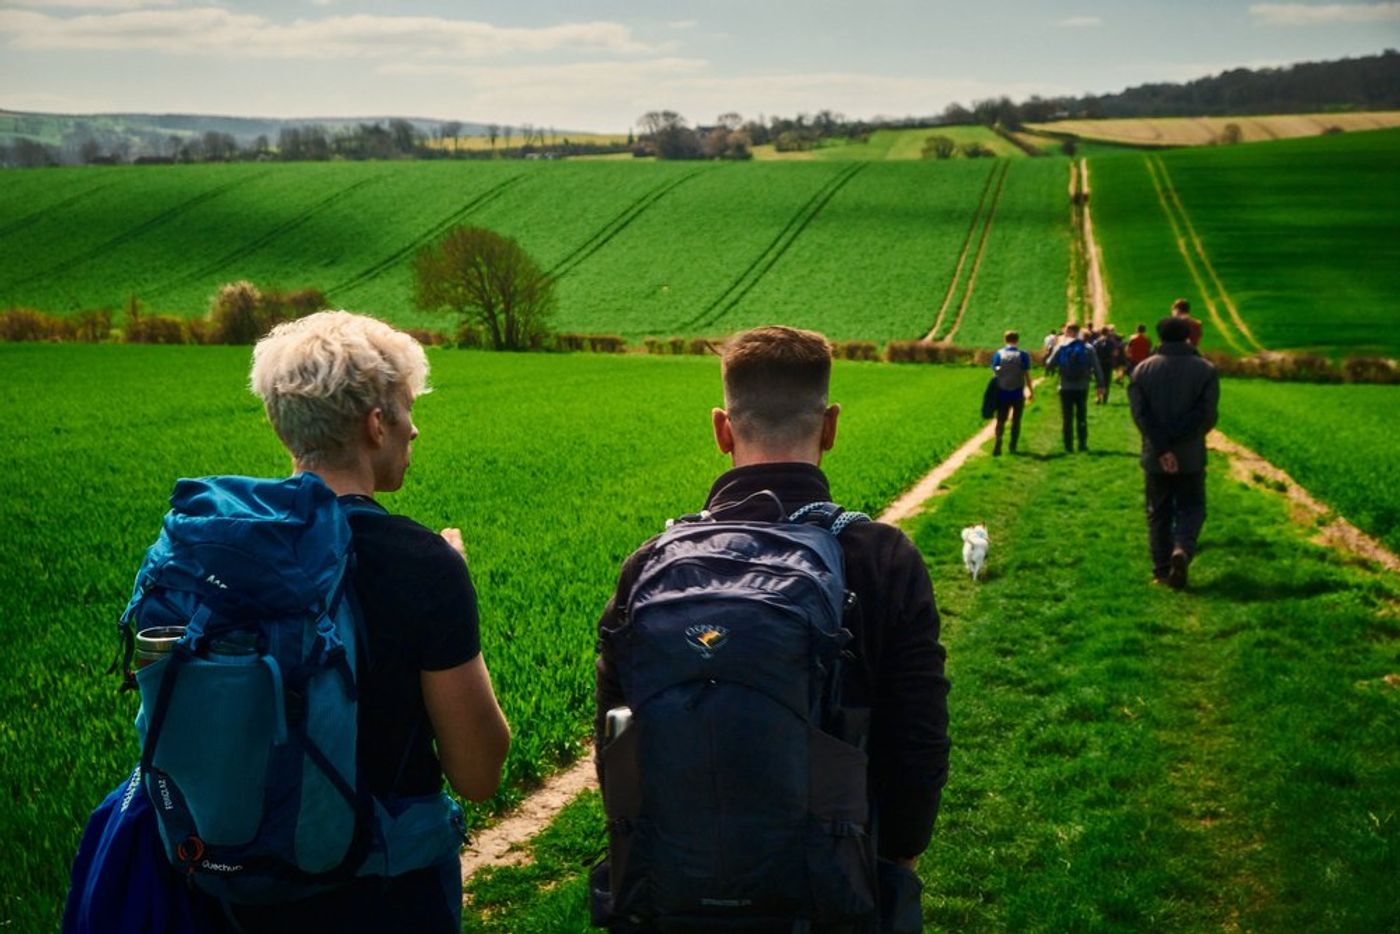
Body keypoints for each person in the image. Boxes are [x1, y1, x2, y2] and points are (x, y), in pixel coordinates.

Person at [594, 326, 950, 932]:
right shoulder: (883, 557)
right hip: (836, 889)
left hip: (676, 892)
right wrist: (897, 857)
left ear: (721, 429)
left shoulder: (651, 564)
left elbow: (614, 741)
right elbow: (918, 738)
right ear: (831, 426)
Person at [234, 311, 512, 931]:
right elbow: (478, 771)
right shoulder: (421, 563)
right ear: (376, 424)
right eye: (408, 410)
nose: (415, 431)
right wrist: (451, 579)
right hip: (382, 894)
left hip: (238, 887)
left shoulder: (226, 549)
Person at [1127, 316, 1220, 589]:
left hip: (1155, 456)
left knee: (1158, 512)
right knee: (1192, 507)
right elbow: (1206, 414)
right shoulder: (1206, 370)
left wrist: (1164, 448)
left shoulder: (1142, 371)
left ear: (1160, 337)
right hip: (1190, 454)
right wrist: (1181, 441)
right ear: (1188, 336)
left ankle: (1161, 570)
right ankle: (1182, 549)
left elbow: (1140, 416)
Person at [1047, 322, 1105, 452]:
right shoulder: (1088, 348)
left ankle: (1068, 446)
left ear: (1068, 332)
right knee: (1081, 416)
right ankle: (1082, 444)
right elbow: (1097, 367)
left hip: (1065, 387)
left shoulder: (1061, 347)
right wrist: (1100, 384)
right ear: (1078, 332)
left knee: (1067, 418)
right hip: (1082, 387)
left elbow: (1049, 363)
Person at [990, 329, 1034, 456]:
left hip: (1002, 392)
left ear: (1005, 340)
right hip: (1017, 392)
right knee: (1016, 420)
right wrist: (1030, 391)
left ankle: (998, 440)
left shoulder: (998, 354)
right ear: (1017, 340)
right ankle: (1012, 446)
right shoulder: (1023, 355)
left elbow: (995, 373)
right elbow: (1027, 375)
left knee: (1001, 419)